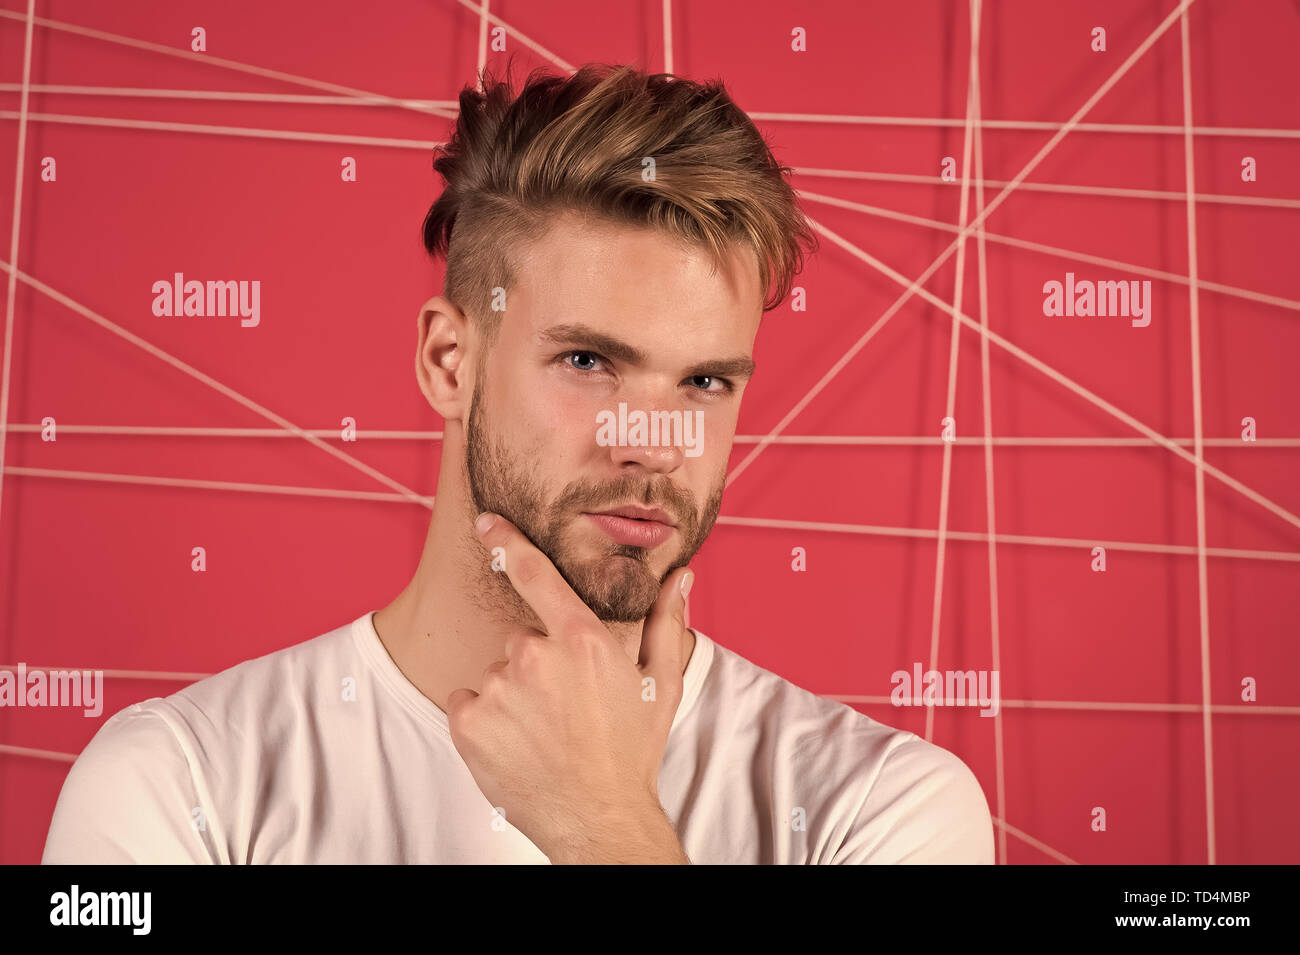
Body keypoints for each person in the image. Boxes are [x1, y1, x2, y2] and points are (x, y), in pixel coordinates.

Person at [42, 62, 993, 864]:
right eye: (588, 362)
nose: (651, 442)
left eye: (704, 382)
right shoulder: (178, 786)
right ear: (449, 361)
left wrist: (607, 825)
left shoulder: (882, 808)